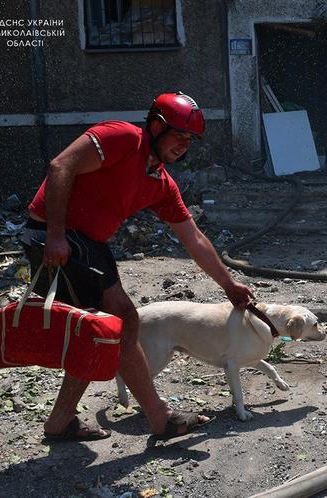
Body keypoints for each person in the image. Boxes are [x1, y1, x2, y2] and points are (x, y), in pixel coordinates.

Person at [21, 92, 255, 441]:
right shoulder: (122, 138)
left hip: (89, 246)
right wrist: (55, 235)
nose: (183, 145)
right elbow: (60, 166)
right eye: (178, 134)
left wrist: (229, 285)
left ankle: (61, 422)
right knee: (121, 320)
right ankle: (159, 418)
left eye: (190, 139)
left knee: (101, 328)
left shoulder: (160, 183)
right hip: (56, 235)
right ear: (157, 126)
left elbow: (195, 239)